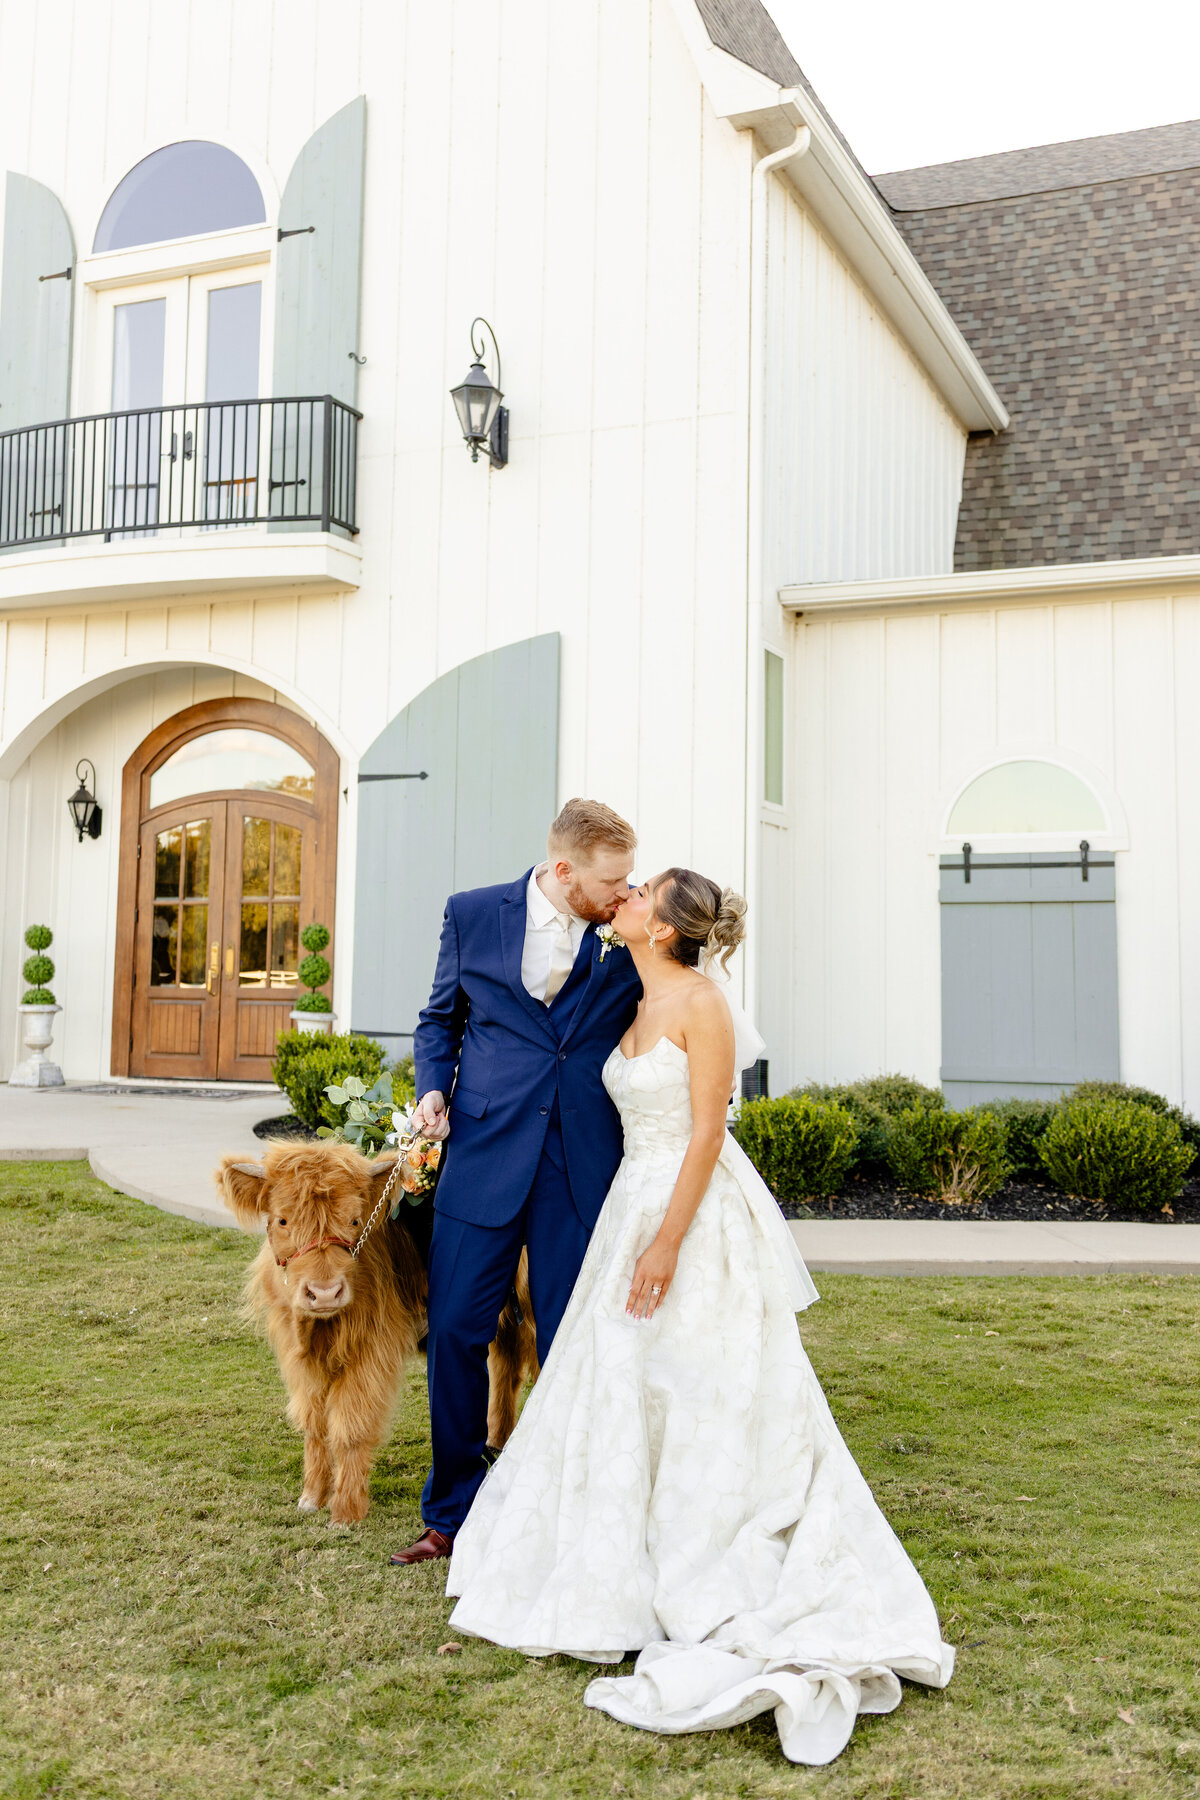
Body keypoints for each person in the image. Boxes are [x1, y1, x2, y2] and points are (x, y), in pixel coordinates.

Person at [445, 869, 954, 1766]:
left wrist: (667, 1244)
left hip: (689, 1218)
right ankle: (615, 1545)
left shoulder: (702, 1004)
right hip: (628, 1208)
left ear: (664, 926)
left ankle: (709, 1550)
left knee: (699, 1385)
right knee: (619, 1376)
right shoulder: (634, 992)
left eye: (643, 891)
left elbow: (710, 1134)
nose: (628, 893)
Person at [388, 799, 642, 1566]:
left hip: (581, 1161)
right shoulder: (471, 914)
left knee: (570, 1341)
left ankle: (564, 1510)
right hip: (484, 1156)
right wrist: (433, 1089)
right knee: (455, 1333)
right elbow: (439, 1020)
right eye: (612, 881)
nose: (625, 894)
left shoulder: (629, 928)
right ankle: (451, 1516)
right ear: (563, 870)